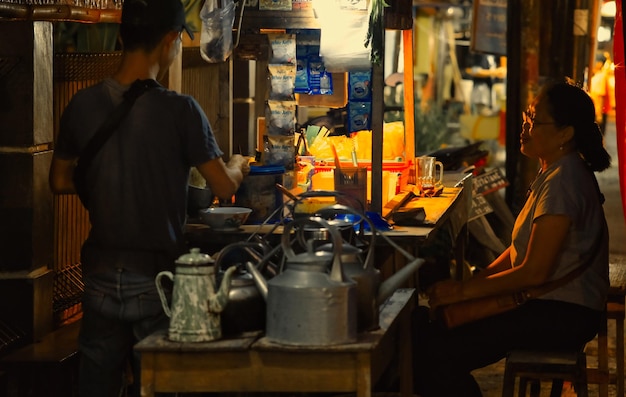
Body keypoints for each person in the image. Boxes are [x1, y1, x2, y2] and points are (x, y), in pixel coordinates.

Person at [48, 0, 250, 395]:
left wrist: (111, 178)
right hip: (156, 281)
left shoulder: (82, 104)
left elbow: (58, 180)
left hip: (100, 276)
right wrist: (239, 165)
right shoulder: (181, 110)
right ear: (171, 41)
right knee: (156, 385)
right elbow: (223, 188)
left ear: (121, 36)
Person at [412, 80, 611, 397]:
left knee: (433, 353)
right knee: (426, 331)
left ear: (565, 133)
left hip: (560, 315)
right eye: (526, 117)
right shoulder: (555, 171)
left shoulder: (564, 181)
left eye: (535, 120)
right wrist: (477, 283)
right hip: (547, 304)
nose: (525, 127)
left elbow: (535, 271)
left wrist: (465, 290)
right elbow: (519, 251)